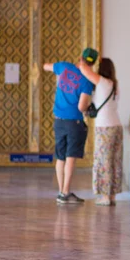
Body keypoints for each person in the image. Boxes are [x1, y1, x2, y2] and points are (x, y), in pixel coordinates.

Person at [43, 48, 98, 204]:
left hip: (58, 120)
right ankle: (66, 192)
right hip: (74, 122)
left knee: (60, 157)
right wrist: (89, 108)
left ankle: (61, 192)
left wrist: (58, 73)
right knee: (70, 157)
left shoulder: (64, 67)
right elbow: (81, 107)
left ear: (80, 57)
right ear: (93, 63)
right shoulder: (87, 82)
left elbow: (46, 66)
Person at [78, 57, 123, 206]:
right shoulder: (114, 85)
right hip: (117, 126)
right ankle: (112, 195)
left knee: (103, 161)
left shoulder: (103, 83)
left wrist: (83, 60)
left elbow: (84, 70)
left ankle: (104, 196)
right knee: (114, 161)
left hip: (105, 127)